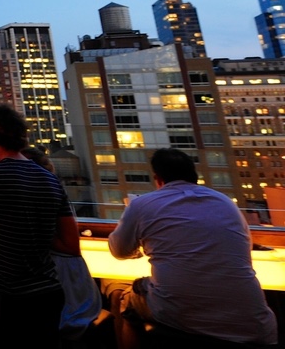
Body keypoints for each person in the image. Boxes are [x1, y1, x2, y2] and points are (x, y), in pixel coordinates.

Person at [104, 148, 277, 348]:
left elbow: (119, 250)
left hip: (179, 316)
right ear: (194, 176)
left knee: (121, 295)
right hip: (254, 323)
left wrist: (141, 246)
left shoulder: (142, 204)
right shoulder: (225, 202)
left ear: (157, 179)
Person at [0, 104, 76, 349]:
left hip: (6, 295)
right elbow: (71, 245)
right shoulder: (49, 179)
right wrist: (33, 228)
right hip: (48, 294)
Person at [21, 147, 100, 341]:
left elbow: (71, 246)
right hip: (72, 291)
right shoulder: (55, 194)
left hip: (59, 296)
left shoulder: (43, 199)